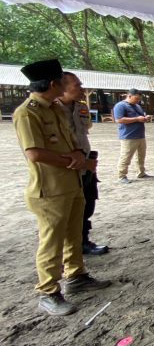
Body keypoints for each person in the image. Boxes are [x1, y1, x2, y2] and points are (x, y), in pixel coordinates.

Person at [13, 59, 110, 317]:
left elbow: (72, 140)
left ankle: (77, 276)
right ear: (54, 84)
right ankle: (48, 292)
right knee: (51, 242)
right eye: (68, 83)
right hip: (50, 189)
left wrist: (81, 158)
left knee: (74, 233)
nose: (76, 87)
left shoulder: (56, 109)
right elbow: (34, 153)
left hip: (72, 183)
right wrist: (73, 161)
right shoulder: (28, 113)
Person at [57, 72, 108, 255]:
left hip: (86, 164)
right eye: (77, 85)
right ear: (61, 87)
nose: (81, 89)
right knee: (66, 212)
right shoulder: (52, 111)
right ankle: (68, 248)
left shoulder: (80, 108)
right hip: (66, 167)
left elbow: (84, 132)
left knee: (87, 203)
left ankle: (83, 241)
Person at [113, 88, 152, 184]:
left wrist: (145, 118)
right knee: (126, 156)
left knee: (141, 156)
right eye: (136, 98)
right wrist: (137, 119)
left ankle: (141, 172)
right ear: (129, 96)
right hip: (128, 136)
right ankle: (121, 175)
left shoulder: (137, 106)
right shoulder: (120, 106)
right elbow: (119, 120)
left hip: (140, 135)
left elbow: (139, 117)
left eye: (139, 99)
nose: (138, 101)